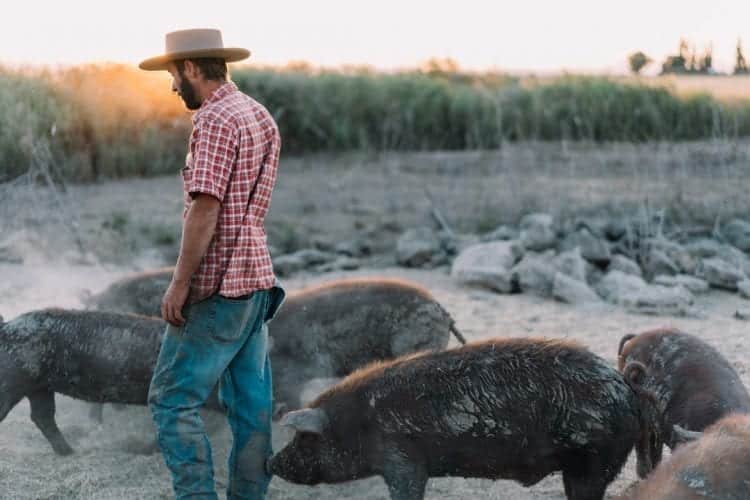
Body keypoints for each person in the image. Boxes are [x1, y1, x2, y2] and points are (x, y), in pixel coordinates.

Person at [139, 28, 285, 499]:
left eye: (172, 75)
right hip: (256, 282)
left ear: (190, 68)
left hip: (219, 287)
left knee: (171, 399)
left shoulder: (216, 118)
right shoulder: (258, 114)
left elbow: (206, 206)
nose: (172, 86)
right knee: (251, 409)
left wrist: (179, 284)